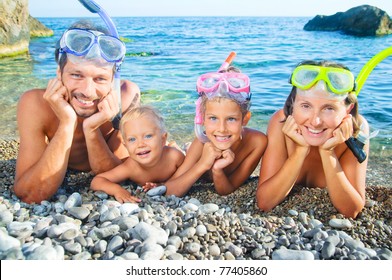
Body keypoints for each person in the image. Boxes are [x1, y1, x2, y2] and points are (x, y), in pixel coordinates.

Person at [13, 20, 141, 204]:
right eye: (76, 75)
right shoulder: (34, 104)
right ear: (59, 73)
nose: (88, 91)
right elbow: (30, 194)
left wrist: (91, 129)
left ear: (113, 79)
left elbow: (120, 174)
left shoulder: (126, 97)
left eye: (100, 78)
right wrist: (66, 122)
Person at [256, 60, 370, 218]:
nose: (315, 122)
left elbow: (352, 210)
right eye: (305, 106)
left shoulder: (357, 130)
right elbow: (265, 202)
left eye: (329, 108)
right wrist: (300, 151)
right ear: (293, 104)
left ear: (348, 110)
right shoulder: (280, 122)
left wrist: (328, 152)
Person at [164, 57, 267, 197]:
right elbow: (169, 190)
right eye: (213, 118)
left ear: (245, 119)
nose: (222, 128)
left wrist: (217, 169)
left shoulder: (257, 142)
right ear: (202, 119)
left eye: (231, 119)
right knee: (174, 158)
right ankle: (175, 147)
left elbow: (227, 189)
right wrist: (203, 165)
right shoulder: (202, 142)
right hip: (192, 156)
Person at [90, 105, 185, 203]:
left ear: (163, 139)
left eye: (148, 136)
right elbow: (97, 180)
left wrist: (163, 184)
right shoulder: (130, 167)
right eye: (132, 139)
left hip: (167, 150)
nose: (140, 144)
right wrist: (117, 190)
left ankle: (172, 144)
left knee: (174, 148)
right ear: (125, 145)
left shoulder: (174, 157)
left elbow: (186, 172)